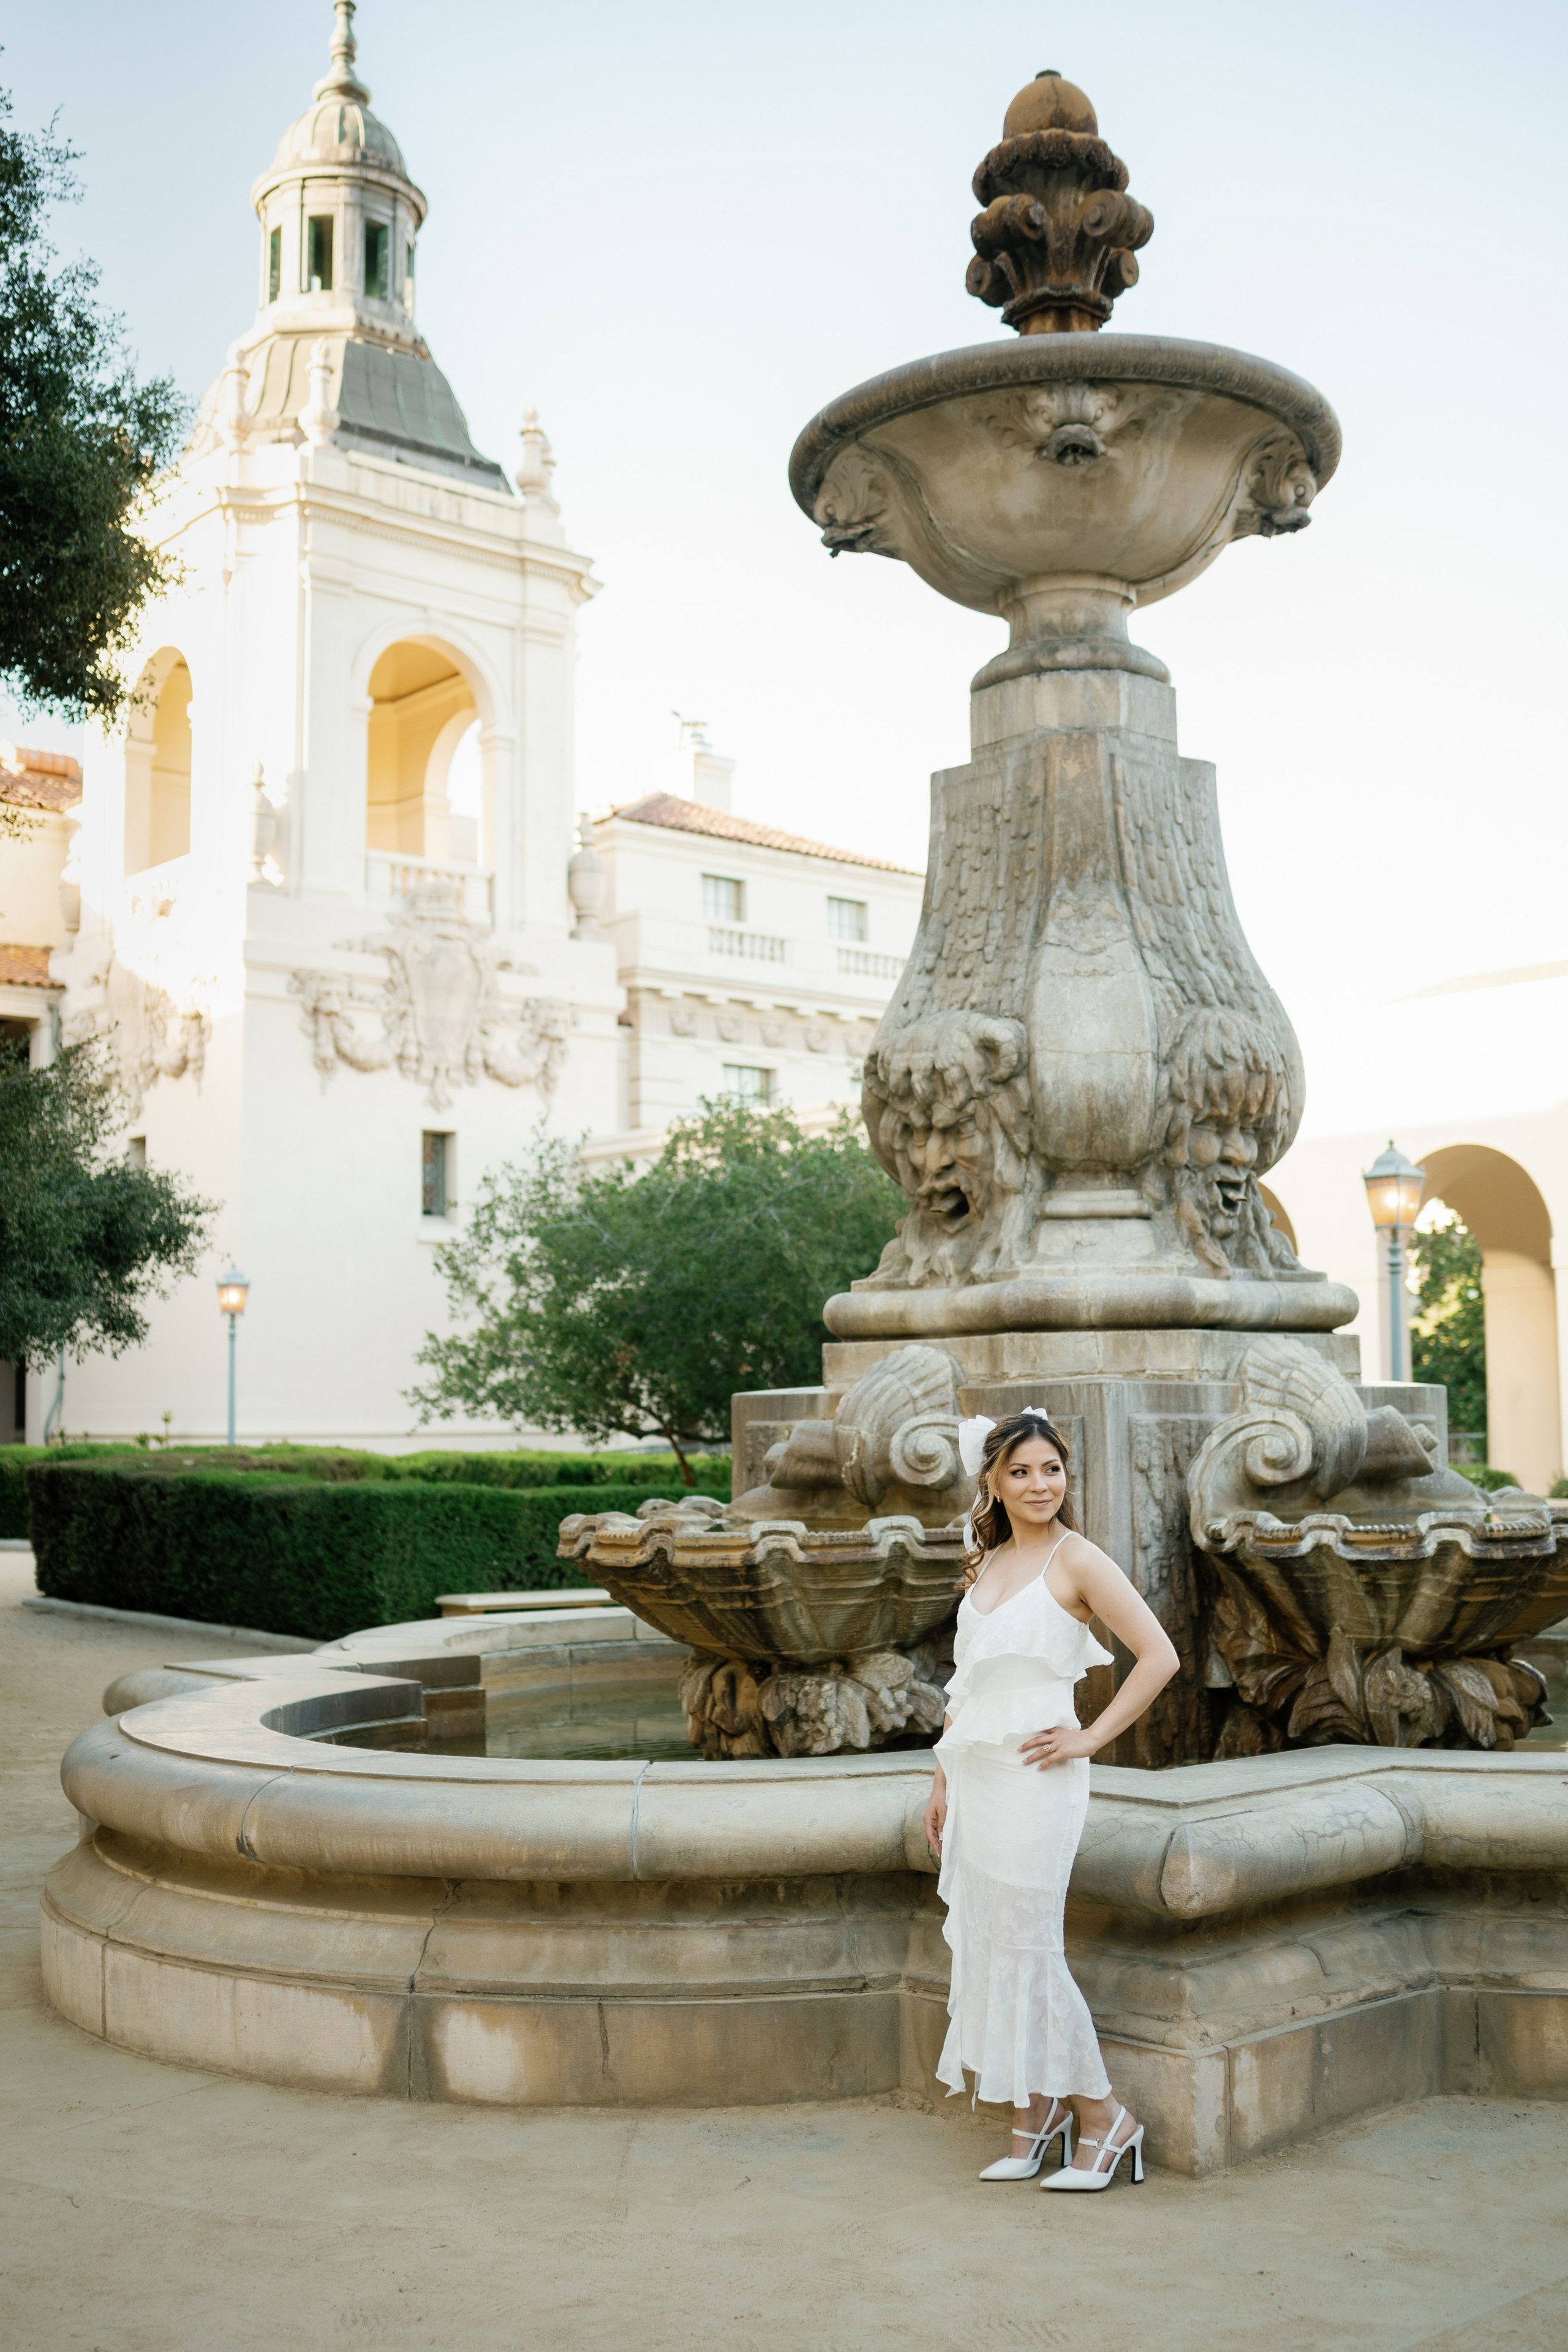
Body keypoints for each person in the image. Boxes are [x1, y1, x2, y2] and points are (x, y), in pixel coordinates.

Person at [921, 1407, 1179, 2192]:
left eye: (1052, 1470)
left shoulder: (1078, 1560)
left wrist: (1091, 1735)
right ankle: (1033, 2117)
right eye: (1022, 1472)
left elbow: (1159, 1656)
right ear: (993, 1483)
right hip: (976, 1776)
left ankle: (1105, 2119)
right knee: (995, 1944)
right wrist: (939, 1779)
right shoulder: (985, 1557)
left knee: (1030, 1945)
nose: (1040, 1485)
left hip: (1038, 1778)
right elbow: (963, 1685)